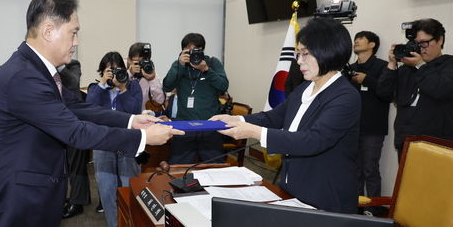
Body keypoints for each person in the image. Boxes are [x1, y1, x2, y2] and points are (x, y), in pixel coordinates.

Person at [0, 0, 183, 227]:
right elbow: (76, 132)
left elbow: (76, 107)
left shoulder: (37, 70)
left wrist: (131, 120)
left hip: (36, 192)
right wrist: (143, 137)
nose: (76, 42)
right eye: (73, 33)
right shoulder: (24, 76)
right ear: (48, 31)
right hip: (17, 201)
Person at [211, 17, 361, 213]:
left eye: (305, 54)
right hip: (293, 190)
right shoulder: (304, 88)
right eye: (298, 54)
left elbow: (313, 140)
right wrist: (238, 119)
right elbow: (274, 117)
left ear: (328, 52)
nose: (299, 61)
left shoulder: (346, 96)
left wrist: (254, 132)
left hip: (325, 199)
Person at [378, 18, 453, 159]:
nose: (420, 48)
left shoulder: (449, 65)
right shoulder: (407, 69)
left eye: (424, 43)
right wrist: (392, 64)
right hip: (406, 141)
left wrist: (420, 65)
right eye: (416, 44)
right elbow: (383, 93)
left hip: (437, 144)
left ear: (440, 40)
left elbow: (440, 89)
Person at [87, 51, 142, 227]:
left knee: (128, 187)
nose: (115, 74)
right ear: (102, 71)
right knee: (107, 189)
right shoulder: (96, 89)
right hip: (103, 142)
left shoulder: (132, 87)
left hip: (127, 142)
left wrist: (123, 89)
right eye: (110, 70)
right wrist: (103, 84)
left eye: (118, 69)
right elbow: (88, 110)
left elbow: (135, 111)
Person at [163, 33, 229, 164]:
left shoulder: (212, 63)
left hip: (210, 125)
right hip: (185, 126)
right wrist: (179, 65)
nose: (193, 54)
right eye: (189, 51)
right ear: (182, 51)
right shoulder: (179, 65)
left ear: (203, 51)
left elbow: (223, 86)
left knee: (215, 167)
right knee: (179, 167)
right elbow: (167, 86)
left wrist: (206, 69)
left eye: (197, 50)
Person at [348, 31, 391, 201]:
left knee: (370, 169)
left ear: (372, 45)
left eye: (361, 38)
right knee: (354, 170)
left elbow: (388, 94)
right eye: (355, 38)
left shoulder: (383, 66)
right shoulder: (350, 69)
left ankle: (374, 209)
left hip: (373, 128)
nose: (356, 41)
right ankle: (356, 206)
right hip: (352, 128)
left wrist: (367, 80)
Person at [59, 59, 91, 219]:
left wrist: (58, 66)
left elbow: (72, 81)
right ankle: (81, 197)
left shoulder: (73, 64)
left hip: (75, 122)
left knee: (76, 164)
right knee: (71, 163)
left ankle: (77, 203)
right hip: (59, 122)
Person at [127, 42, 165, 111]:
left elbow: (160, 101)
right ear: (129, 60)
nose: (140, 65)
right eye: (137, 62)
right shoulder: (124, 76)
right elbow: (117, 93)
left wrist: (152, 80)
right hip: (127, 117)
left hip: (144, 117)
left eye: (142, 62)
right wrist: (130, 73)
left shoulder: (151, 76)